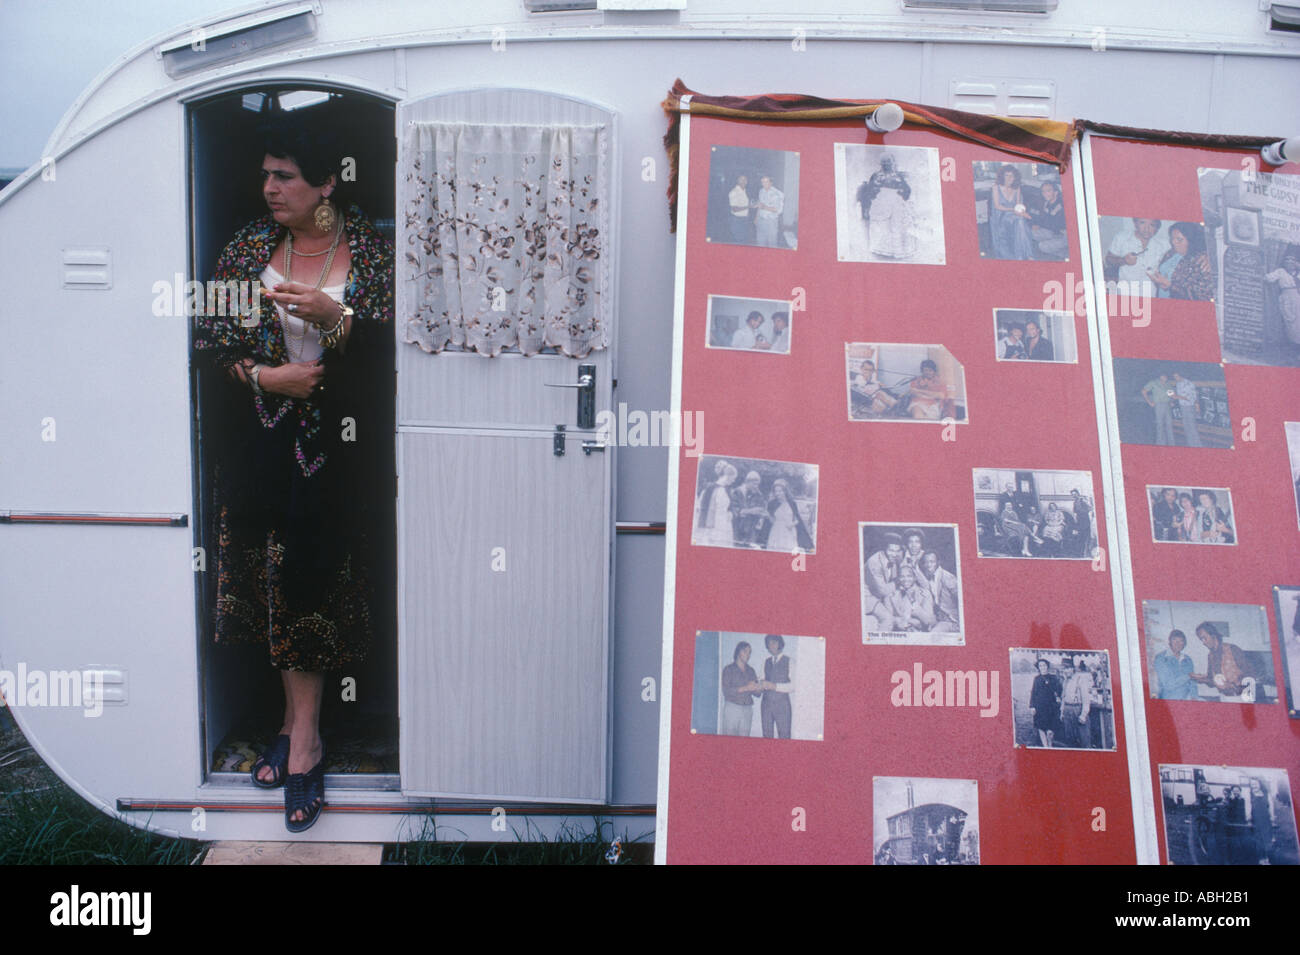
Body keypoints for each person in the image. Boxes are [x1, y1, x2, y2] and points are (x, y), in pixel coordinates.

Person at [192, 113, 394, 833]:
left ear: (327, 184)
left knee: (318, 582)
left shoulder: (369, 247)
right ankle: (299, 728)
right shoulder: (249, 246)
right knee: (277, 580)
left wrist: (333, 315)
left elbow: (398, 344)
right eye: (266, 174)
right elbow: (210, 338)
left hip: (341, 452)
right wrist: (266, 376)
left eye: (285, 177)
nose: (269, 187)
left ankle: (302, 733)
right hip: (262, 448)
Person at [857, 154, 915, 259]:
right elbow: (869, 190)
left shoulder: (898, 176)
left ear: (892, 163)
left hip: (896, 203)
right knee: (880, 226)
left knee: (896, 226)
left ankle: (897, 251)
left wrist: (902, 195)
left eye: (889, 162)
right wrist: (869, 204)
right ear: (881, 164)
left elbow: (907, 189)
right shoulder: (876, 175)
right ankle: (880, 250)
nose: (887, 164)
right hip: (879, 203)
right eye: (884, 162)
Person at [1149, 221, 1214, 302]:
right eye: (1172, 238)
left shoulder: (1201, 262)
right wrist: (1157, 279)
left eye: (1179, 239)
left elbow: (1203, 297)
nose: (1173, 242)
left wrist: (1170, 286)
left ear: (1191, 241)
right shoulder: (1170, 253)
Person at [1190, 621, 1256, 698]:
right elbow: (1212, 681)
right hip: (1223, 697)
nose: (1203, 643)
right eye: (1201, 640)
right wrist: (1200, 679)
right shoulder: (1210, 656)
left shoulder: (1232, 649)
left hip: (1240, 697)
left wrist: (1233, 686)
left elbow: (1251, 674)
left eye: (1204, 638)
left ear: (1213, 635)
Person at [1106, 217, 1169, 291]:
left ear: (1157, 228)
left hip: (1150, 293)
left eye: (1152, 225)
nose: (1147, 229)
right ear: (1135, 223)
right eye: (1142, 223)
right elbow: (1108, 259)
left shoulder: (1164, 244)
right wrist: (1124, 260)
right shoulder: (1122, 238)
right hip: (1125, 292)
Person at [988, 164, 1033, 260]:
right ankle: (1026, 254)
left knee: (1020, 221)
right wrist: (1014, 210)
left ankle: (1022, 255)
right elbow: (997, 206)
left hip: (1014, 214)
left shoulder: (1017, 188)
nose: (1009, 178)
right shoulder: (996, 187)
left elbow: (1018, 205)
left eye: (1011, 175)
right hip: (1000, 215)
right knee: (1020, 222)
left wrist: (1021, 211)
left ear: (1015, 177)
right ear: (1002, 176)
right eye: (1006, 175)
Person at [864, 533, 905, 632]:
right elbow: (881, 591)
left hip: (882, 597)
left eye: (897, 551)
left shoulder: (893, 559)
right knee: (887, 619)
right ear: (884, 549)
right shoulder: (874, 562)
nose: (894, 554)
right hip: (867, 597)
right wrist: (897, 582)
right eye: (891, 550)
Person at [720, 642, 762, 736]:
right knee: (728, 741)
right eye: (745, 651)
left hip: (747, 709)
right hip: (732, 708)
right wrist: (747, 688)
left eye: (750, 652)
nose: (748, 655)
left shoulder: (751, 670)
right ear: (738, 651)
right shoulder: (728, 669)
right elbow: (726, 691)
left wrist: (759, 687)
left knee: (744, 742)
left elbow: (757, 694)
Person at [695, 459, 738, 547]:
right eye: (733, 478)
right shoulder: (710, 489)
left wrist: (730, 511)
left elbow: (729, 505)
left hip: (725, 524)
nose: (734, 481)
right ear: (727, 476)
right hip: (714, 525)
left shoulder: (727, 490)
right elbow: (701, 508)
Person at [766, 478, 813, 553]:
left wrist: (792, 524)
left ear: (785, 491)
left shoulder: (792, 503)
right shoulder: (772, 504)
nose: (777, 493)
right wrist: (767, 515)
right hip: (776, 531)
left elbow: (797, 520)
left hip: (790, 532)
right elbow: (771, 521)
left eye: (780, 491)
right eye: (776, 491)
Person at [1264, 246, 1300, 345]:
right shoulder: (1281, 272)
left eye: (1292, 261)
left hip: (1298, 296)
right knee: (1290, 320)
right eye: (1287, 261)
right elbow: (1268, 278)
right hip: (1287, 297)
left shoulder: (1297, 273)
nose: (1290, 263)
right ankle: (1293, 343)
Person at [760, 634, 793, 739]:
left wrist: (774, 686)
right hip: (766, 706)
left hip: (782, 706)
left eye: (774, 642)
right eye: (768, 643)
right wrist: (758, 684)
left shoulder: (790, 661)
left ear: (780, 643)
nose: (771, 645)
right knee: (766, 736)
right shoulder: (766, 662)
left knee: (784, 737)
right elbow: (761, 680)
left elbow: (794, 686)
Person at [887, 564, 936, 632]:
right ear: (898, 578)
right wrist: (903, 622)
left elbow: (929, 621)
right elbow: (887, 618)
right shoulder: (890, 595)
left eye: (909, 576)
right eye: (902, 576)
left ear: (915, 578)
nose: (905, 579)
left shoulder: (925, 594)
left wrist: (913, 602)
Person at [919, 551, 961, 633]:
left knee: (932, 636)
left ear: (938, 562)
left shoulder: (948, 578)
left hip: (952, 621)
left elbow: (962, 601)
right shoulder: (930, 577)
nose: (928, 565)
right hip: (939, 619)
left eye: (932, 562)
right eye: (926, 562)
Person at [1153, 629, 1197, 700]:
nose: (1177, 643)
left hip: (1187, 699)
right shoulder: (1161, 658)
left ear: (1184, 643)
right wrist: (1188, 676)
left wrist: (1194, 698)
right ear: (1169, 641)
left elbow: (1193, 683)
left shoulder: (1188, 659)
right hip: (1169, 700)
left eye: (1181, 641)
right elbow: (1168, 684)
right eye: (1174, 640)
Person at [1029, 180, 1068, 259]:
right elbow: (1041, 217)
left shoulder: (1060, 205)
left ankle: (1067, 253)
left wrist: (1039, 224)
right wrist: (1034, 223)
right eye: (1043, 191)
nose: (1045, 194)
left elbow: (1055, 225)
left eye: (1048, 191)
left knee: (1042, 246)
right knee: (1030, 233)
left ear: (1056, 192)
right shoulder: (1047, 203)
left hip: (1063, 235)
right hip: (1052, 232)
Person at [731, 470, 770, 548]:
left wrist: (763, 514)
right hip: (738, 528)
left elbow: (762, 507)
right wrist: (751, 511)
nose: (756, 486)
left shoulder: (758, 493)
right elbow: (735, 511)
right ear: (747, 482)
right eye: (754, 484)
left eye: (757, 484)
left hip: (751, 530)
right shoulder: (737, 492)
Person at [1028, 658, 1062, 747]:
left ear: (1047, 666)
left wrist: (1058, 696)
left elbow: (1059, 690)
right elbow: (1033, 693)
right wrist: (1032, 706)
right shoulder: (1036, 679)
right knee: (1041, 727)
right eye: (1040, 666)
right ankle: (1045, 746)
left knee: (1050, 730)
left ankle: (1050, 745)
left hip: (1051, 707)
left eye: (1044, 665)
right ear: (1038, 668)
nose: (1042, 667)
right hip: (1039, 707)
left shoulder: (1054, 678)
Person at [1060, 658, 1093, 748]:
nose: (1065, 671)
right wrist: (1062, 711)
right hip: (1067, 710)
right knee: (1070, 739)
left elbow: (1086, 699)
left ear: (1072, 668)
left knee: (1084, 739)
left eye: (1067, 668)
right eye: (1064, 668)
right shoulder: (1065, 681)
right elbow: (1063, 697)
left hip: (1078, 709)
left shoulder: (1080, 679)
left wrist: (1083, 714)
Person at [1141, 373, 1177, 446]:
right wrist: (1149, 402)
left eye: (1166, 376)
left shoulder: (1168, 384)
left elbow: (1172, 395)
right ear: (1160, 376)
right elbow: (1143, 391)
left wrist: (1172, 401)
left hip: (1167, 405)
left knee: (1169, 424)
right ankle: (1160, 443)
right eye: (1163, 375)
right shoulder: (1153, 383)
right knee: (1160, 425)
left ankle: (1172, 444)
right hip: (1159, 405)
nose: (1165, 377)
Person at [1169, 372, 1202, 447]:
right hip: (1182, 407)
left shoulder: (1189, 384)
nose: (1176, 378)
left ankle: (1198, 445)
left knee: (1192, 427)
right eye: (1174, 377)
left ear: (1181, 375)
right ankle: (1190, 445)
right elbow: (1176, 395)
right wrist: (1173, 400)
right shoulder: (1178, 384)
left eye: (1177, 376)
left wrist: (1177, 397)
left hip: (1190, 407)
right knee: (1186, 427)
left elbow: (1191, 398)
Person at [754, 175, 784, 248]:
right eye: (762, 182)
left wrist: (764, 207)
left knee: (772, 244)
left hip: (771, 222)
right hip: (761, 221)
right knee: (760, 243)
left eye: (766, 182)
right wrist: (756, 217)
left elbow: (776, 209)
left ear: (771, 183)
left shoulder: (777, 193)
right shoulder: (761, 191)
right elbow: (759, 205)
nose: (764, 184)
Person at [1249, 778, 1273, 864]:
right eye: (1252, 784)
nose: (1254, 786)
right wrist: (1249, 819)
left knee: (1267, 840)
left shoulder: (1266, 794)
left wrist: (1272, 817)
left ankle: (1267, 859)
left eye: (1255, 783)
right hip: (1256, 821)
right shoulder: (1250, 794)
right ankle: (1261, 860)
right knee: (1258, 840)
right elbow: (1248, 808)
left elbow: (1270, 807)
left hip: (1266, 820)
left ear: (1260, 784)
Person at [727, 173, 752, 243]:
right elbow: (734, 209)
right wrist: (749, 207)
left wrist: (752, 204)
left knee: (744, 240)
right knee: (738, 241)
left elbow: (743, 204)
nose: (744, 181)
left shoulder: (744, 191)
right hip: (737, 221)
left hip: (745, 219)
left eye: (745, 179)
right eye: (741, 179)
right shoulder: (734, 192)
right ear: (737, 181)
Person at [1070, 489, 1093, 556]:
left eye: (1075, 494)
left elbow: (1090, 508)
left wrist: (1082, 512)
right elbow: (1074, 511)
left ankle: (1085, 552)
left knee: (1085, 536)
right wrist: (1076, 517)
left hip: (1084, 519)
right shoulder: (1075, 502)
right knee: (1080, 536)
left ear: (1078, 493)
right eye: (1072, 494)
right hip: (1079, 520)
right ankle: (1080, 552)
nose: (1074, 495)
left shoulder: (1082, 500)